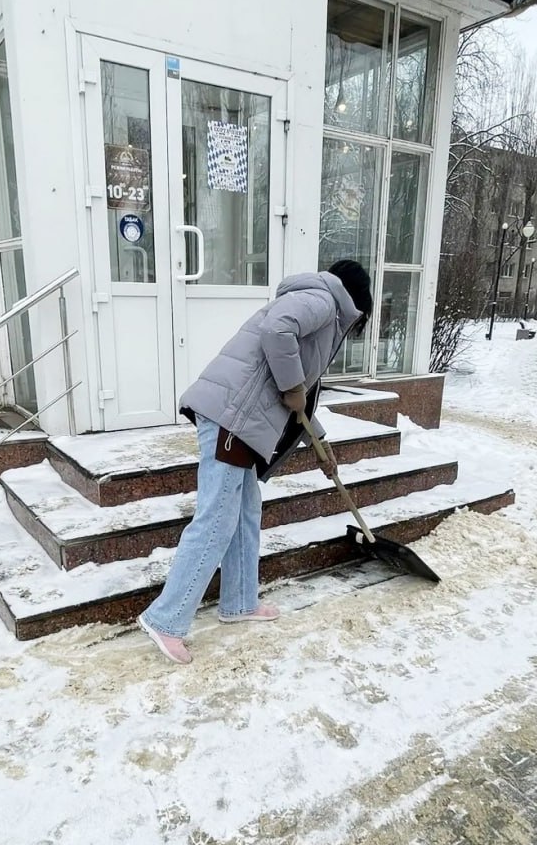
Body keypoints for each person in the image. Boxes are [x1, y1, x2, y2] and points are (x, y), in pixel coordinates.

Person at [138, 260, 373, 664]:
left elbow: (300, 402)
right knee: (216, 518)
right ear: (357, 299)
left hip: (241, 421)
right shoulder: (321, 300)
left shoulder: (316, 303)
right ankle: (165, 619)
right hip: (232, 419)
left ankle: (240, 601)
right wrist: (294, 386)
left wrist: (320, 442)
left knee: (246, 511)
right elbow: (276, 333)